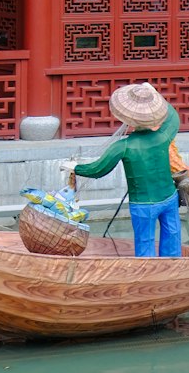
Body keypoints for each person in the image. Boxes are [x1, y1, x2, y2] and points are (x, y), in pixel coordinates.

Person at [66, 82, 182, 258]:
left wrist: (76, 168)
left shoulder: (123, 146)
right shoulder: (163, 136)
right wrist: (152, 93)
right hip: (170, 197)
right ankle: (175, 268)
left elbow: (98, 169)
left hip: (144, 204)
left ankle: (148, 274)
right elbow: (173, 116)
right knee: (173, 236)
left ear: (129, 119)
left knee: (145, 242)